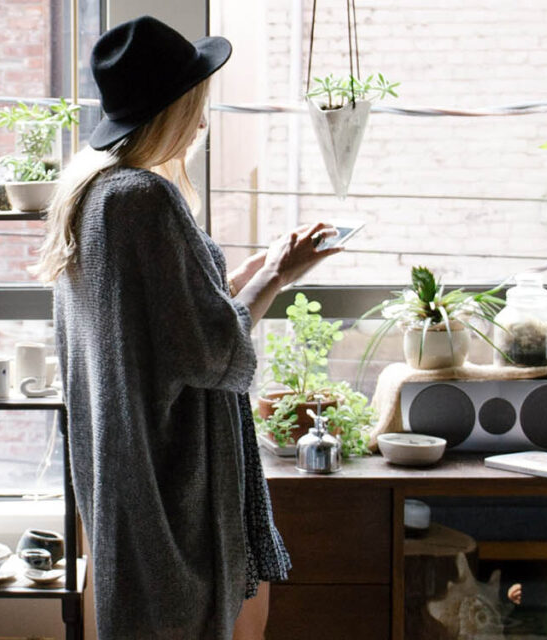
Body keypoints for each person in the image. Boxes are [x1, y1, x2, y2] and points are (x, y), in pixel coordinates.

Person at [31, 15, 343, 640]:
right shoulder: (143, 198)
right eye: (196, 106)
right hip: (171, 485)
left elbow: (158, 331)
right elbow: (214, 351)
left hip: (124, 481)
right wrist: (278, 275)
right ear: (171, 110)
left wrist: (235, 280)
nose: (202, 123)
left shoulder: (90, 194)